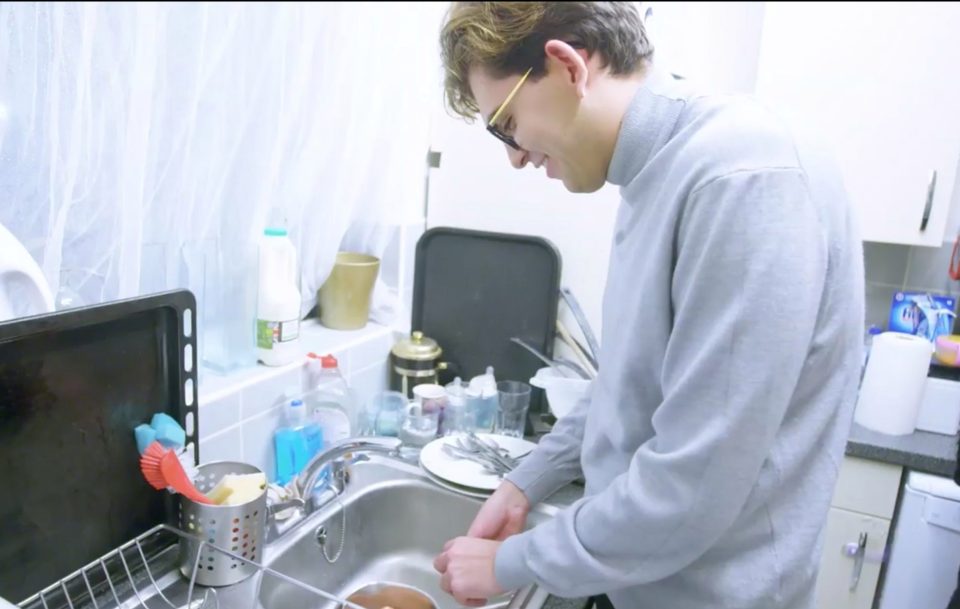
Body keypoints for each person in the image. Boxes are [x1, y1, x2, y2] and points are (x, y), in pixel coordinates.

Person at [431, 3, 865, 609]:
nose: (515, 155)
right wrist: (531, 477)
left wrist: (513, 562)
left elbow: (694, 485)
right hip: (641, 582)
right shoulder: (656, 172)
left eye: (505, 125)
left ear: (566, 67)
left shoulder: (740, 176)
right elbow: (631, 382)